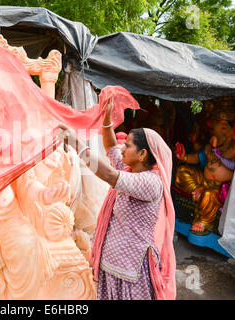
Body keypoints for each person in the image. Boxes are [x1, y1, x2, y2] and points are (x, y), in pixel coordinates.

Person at [58, 99, 176, 300]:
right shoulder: (128, 170)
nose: (122, 149)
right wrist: (106, 119)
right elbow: (111, 146)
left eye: (127, 146)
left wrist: (77, 145)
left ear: (142, 154)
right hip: (112, 266)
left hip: (131, 272)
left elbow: (109, 175)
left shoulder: (150, 182)